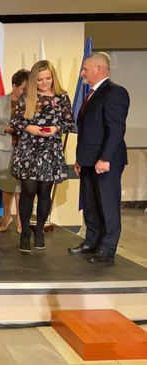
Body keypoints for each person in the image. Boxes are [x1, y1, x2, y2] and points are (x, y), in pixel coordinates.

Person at [68, 52, 129, 263]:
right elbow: (88, 130)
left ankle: (107, 248)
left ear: (99, 69)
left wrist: (105, 158)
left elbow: (115, 130)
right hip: (88, 160)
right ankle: (91, 242)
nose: (82, 73)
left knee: (107, 205)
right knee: (91, 205)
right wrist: (80, 158)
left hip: (105, 162)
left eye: (85, 69)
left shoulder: (115, 92)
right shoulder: (92, 94)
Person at [10, 60, 74, 253]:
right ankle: (25, 234)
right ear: (33, 80)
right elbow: (15, 122)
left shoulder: (62, 97)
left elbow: (69, 123)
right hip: (28, 149)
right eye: (40, 79)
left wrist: (55, 128)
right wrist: (30, 128)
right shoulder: (26, 96)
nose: (44, 82)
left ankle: (39, 231)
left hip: (50, 150)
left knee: (44, 192)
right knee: (28, 190)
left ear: (53, 77)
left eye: (48, 78)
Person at [0, 69, 29, 233]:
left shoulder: (31, 102)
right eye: (23, 88)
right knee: (6, 185)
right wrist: (5, 129)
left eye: (27, 89)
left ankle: (20, 219)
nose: (25, 92)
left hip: (25, 149)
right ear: (14, 85)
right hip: (5, 148)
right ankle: (7, 217)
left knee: (21, 186)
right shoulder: (0, 101)